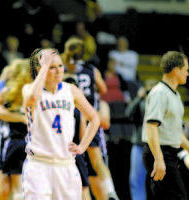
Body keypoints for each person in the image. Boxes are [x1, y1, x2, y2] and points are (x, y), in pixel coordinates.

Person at [22, 48, 100, 200]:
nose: (58, 71)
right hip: (39, 165)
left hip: (66, 165)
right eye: (52, 67)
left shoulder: (71, 90)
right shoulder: (29, 89)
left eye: (60, 65)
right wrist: (44, 66)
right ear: (40, 69)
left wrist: (82, 146)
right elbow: (32, 98)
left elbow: (94, 118)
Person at [142, 51, 189, 200]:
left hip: (168, 154)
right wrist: (159, 159)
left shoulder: (175, 95)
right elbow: (151, 128)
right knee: (178, 197)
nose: (188, 74)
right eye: (185, 70)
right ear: (176, 70)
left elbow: (175, 132)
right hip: (159, 153)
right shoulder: (159, 93)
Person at [62, 37, 119, 200]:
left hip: (68, 116)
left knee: (69, 161)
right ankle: (110, 191)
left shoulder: (63, 69)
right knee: (97, 159)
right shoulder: (91, 70)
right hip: (88, 116)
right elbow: (103, 88)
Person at [0, 59, 31, 200]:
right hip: (6, 139)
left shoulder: (31, 92)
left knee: (17, 187)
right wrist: (20, 117)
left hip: (23, 140)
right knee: (6, 189)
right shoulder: (8, 91)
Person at [125, 79, 157, 200]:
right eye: (148, 90)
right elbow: (128, 114)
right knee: (136, 181)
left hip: (156, 146)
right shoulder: (140, 102)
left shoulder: (160, 103)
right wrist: (138, 98)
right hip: (139, 145)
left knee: (159, 181)